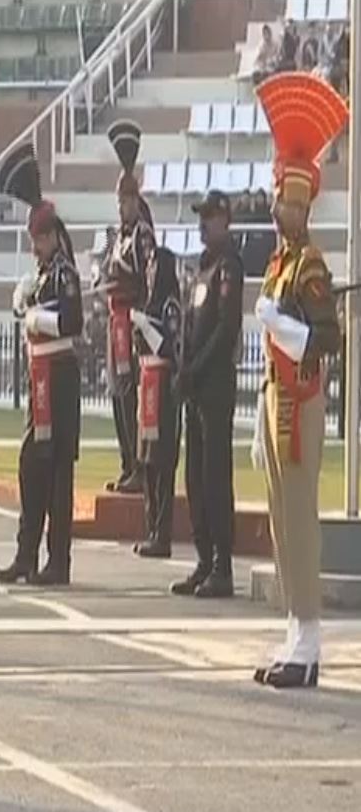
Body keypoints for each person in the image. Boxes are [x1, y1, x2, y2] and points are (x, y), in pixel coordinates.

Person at [250, 72, 345, 689]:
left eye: (283, 198)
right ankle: (292, 629)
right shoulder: (280, 261)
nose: (275, 205)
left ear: (300, 204)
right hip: (274, 395)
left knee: (301, 519)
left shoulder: (309, 267)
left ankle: (309, 640)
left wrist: (282, 325)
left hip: (302, 400)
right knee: (280, 519)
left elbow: (327, 340)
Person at [0, 144, 83, 586]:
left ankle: (56, 558)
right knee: (34, 467)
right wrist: (25, 301)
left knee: (56, 471)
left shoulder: (64, 273)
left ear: (50, 237)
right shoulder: (46, 274)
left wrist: (35, 316)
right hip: (42, 381)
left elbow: (71, 320)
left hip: (59, 383)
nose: (34, 248)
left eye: (38, 239)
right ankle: (27, 554)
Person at [169, 190, 244, 597]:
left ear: (225, 220)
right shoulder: (203, 268)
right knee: (195, 476)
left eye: (210, 217)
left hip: (214, 386)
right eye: (200, 217)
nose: (202, 224)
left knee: (216, 477)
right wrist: (183, 365)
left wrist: (194, 370)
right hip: (196, 386)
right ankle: (203, 559)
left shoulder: (228, 267)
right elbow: (193, 322)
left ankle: (223, 565)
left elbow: (225, 329)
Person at [103, 120, 155, 495]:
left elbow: (149, 279)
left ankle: (139, 465)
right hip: (113, 320)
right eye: (120, 201)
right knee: (117, 394)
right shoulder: (117, 237)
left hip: (131, 322)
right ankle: (126, 462)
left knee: (132, 395)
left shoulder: (141, 235)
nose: (122, 207)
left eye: (127, 200)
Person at [130, 245, 182, 559]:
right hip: (147, 380)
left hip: (164, 384)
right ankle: (151, 529)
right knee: (147, 461)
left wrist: (145, 327)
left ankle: (162, 533)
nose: (148, 271)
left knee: (162, 462)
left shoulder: (169, 306)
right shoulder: (148, 302)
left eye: (153, 265)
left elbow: (169, 348)